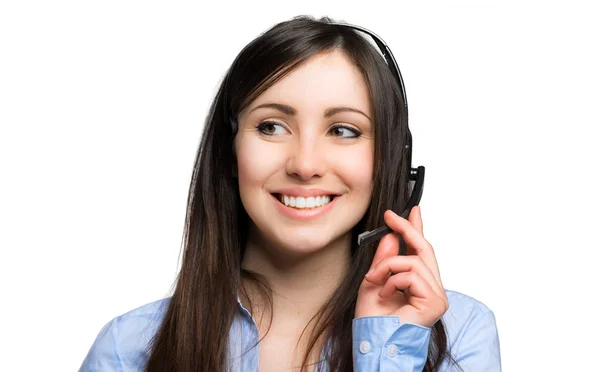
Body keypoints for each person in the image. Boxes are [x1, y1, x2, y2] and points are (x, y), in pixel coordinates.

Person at [80, 15, 501, 372]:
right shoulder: (128, 350)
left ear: (389, 161)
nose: (304, 164)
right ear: (230, 152)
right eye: (271, 127)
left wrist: (387, 348)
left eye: (343, 131)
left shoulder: (457, 336)